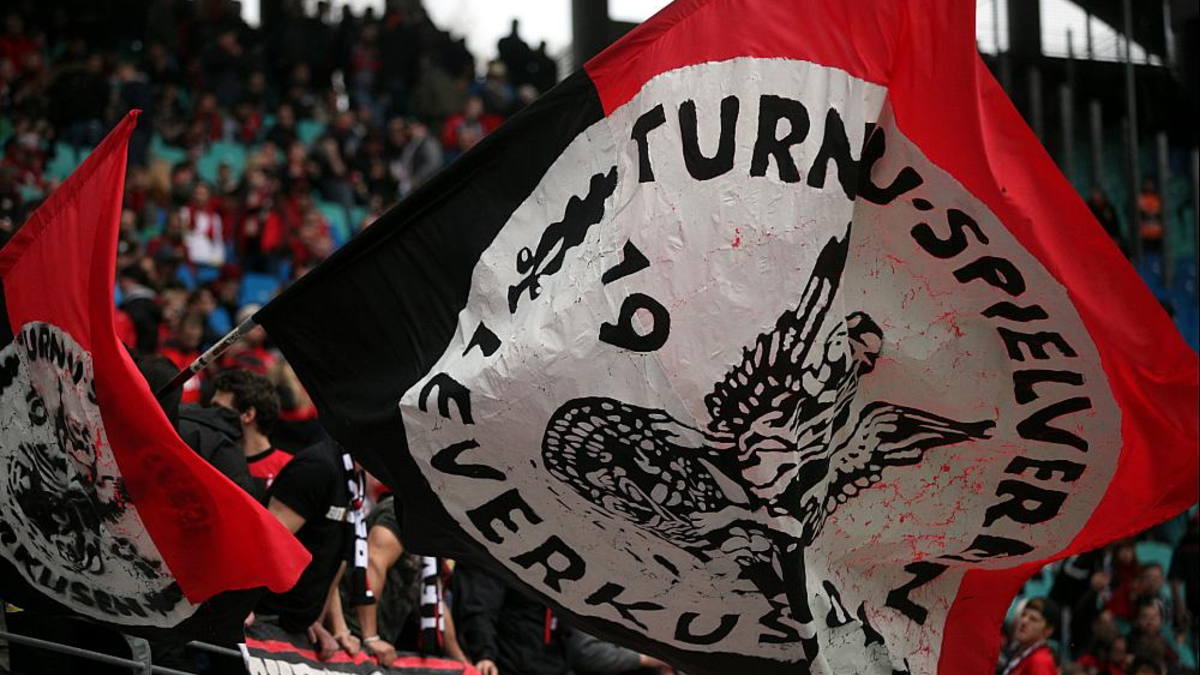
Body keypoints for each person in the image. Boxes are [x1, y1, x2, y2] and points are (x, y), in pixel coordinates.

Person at [256, 437, 358, 656]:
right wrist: (240, 605)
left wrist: (320, 620)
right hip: (263, 616)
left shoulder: (354, 477)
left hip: (295, 624)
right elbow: (265, 542)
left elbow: (334, 559)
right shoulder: (318, 468)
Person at [210, 367, 292, 496]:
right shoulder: (210, 464)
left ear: (248, 414)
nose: (210, 415)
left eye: (218, 409)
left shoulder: (289, 469)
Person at [998, 597, 1060, 675]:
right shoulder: (1020, 650)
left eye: (1033, 619)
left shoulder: (1040, 661)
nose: (1024, 621)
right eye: (1023, 615)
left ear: (1048, 630)